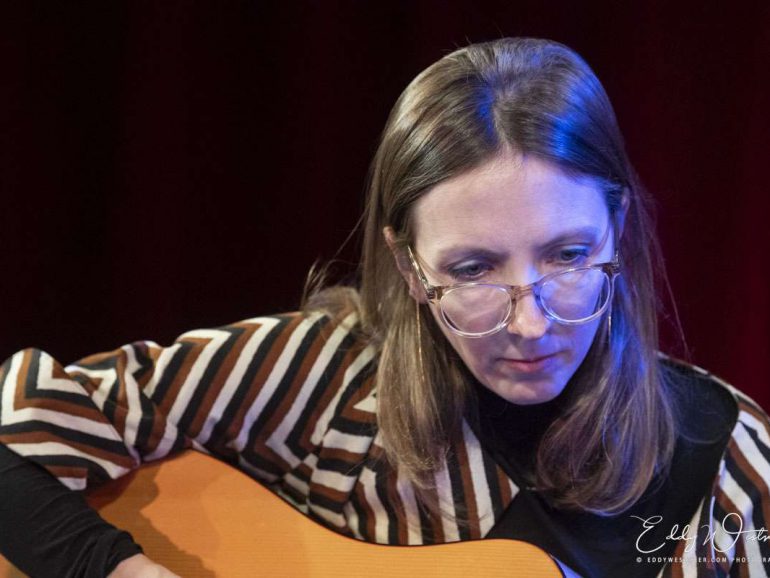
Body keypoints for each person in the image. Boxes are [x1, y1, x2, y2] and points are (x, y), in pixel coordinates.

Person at [1, 37, 768, 578]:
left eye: (567, 257)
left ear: (618, 227)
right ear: (407, 266)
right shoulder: (324, 376)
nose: (530, 324)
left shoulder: (727, 461)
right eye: (472, 268)